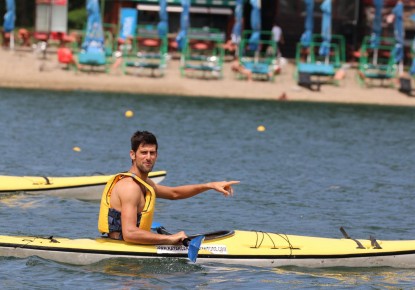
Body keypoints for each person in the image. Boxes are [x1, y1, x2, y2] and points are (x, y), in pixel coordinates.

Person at [98, 130, 239, 245]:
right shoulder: (130, 187)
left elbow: (174, 193)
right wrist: (170, 238)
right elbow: (129, 233)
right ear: (132, 154)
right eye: (143, 152)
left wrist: (209, 185)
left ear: (156, 155)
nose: (148, 157)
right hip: (123, 255)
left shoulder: (145, 183)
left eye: (152, 153)